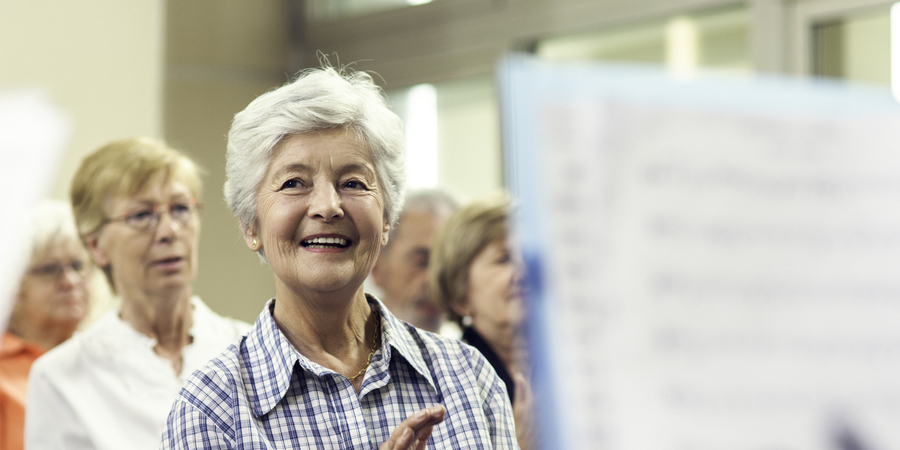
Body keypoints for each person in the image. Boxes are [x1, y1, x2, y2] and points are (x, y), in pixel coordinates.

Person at [162, 65, 518, 449]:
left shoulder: (467, 376)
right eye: (294, 183)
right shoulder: (213, 409)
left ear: (385, 221)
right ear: (251, 226)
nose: (328, 206)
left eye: (352, 183)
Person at [25, 138, 250, 449]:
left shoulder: (252, 351)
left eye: (181, 208)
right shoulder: (61, 377)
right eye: (142, 216)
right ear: (96, 246)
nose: (169, 231)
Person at [428, 195, 533, 450]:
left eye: (527, 255)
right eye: (504, 259)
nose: (524, 270)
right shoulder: (447, 384)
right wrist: (520, 443)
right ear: (460, 295)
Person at [0, 201, 91, 450]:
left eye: (78, 265)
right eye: (51, 269)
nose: (70, 281)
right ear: (14, 285)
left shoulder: (105, 360)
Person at [370, 189, 457, 333]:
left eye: (448, 267)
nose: (435, 283)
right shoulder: (347, 352)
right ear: (377, 267)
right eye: (422, 262)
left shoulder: (466, 353)